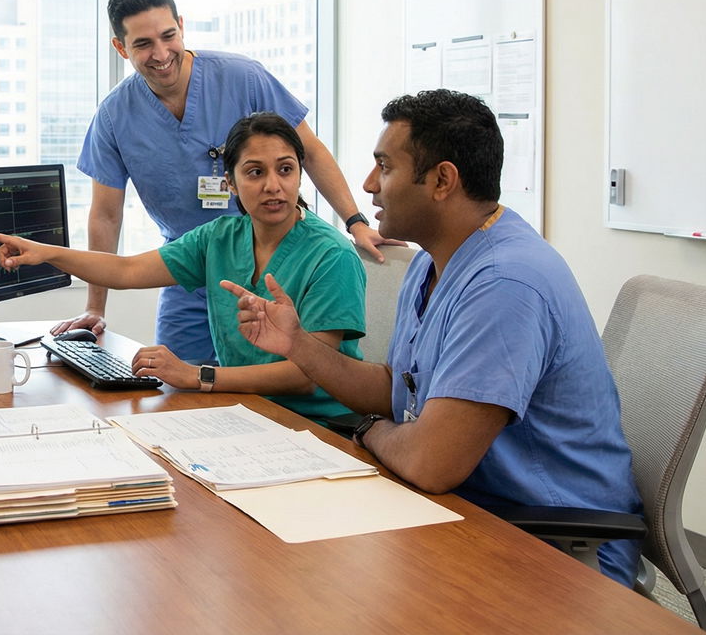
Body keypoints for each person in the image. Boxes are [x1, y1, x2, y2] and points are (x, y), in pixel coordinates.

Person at [221, 89, 642, 584]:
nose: (369, 184)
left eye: (385, 166)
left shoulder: (505, 283)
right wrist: (298, 344)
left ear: (442, 180)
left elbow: (430, 461)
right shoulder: (432, 260)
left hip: (553, 547)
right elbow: (397, 389)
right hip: (460, 506)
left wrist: (367, 429)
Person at [62, 0, 395, 365]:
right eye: (143, 44)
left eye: (168, 35)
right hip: (187, 268)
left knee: (272, 389)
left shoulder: (243, 78)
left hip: (269, 263)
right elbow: (105, 214)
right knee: (176, 391)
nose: (161, 53)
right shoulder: (115, 115)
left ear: (181, 26)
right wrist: (96, 308)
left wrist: (355, 222)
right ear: (121, 48)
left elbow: (310, 152)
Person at [0, 112, 366, 422]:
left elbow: (306, 375)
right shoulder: (220, 237)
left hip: (324, 427)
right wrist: (47, 252)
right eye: (254, 172)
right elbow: (127, 271)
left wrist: (197, 376)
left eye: (286, 169)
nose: (273, 185)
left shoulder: (331, 255)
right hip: (250, 412)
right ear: (230, 183)